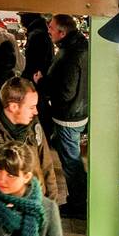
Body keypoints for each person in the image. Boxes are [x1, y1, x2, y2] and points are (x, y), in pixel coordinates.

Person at [0, 76, 63, 203]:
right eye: (31, 107)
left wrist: (51, 207)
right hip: (4, 218)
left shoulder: (34, 125)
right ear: (13, 107)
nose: (36, 111)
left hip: (35, 210)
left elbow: (47, 167)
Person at [35, 14, 89, 219]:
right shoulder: (79, 48)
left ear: (62, 32)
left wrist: (42, 83)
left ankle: (78, 204)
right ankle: (79, 199)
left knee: (71, 162)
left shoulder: (70, 55)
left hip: (68, 116)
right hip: (77, 112)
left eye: (51, 27)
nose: (48, 30)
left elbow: (66, 91)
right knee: (71, 159)